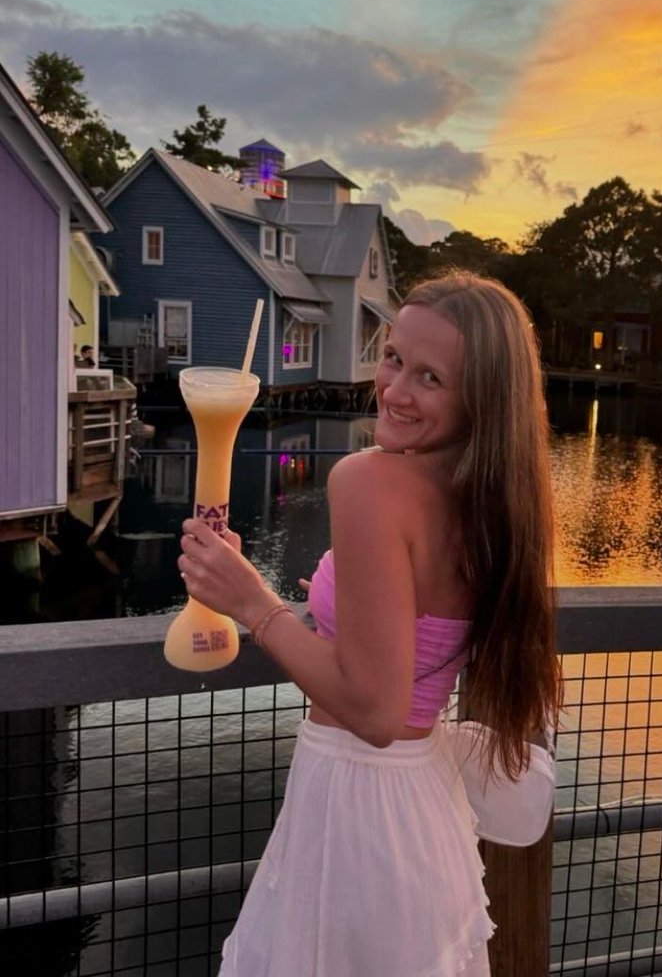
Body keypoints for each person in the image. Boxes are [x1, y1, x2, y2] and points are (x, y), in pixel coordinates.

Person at [178, 271, 561, 976]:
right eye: (391, 358)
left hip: (356, 804)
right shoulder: (484, 499)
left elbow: (376, 710)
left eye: (430, 377)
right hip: (418, 805)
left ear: (480, 398)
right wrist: (332, 605)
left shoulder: (370, 481)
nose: (394, 389)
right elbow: (410, 639)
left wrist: (252, 604)